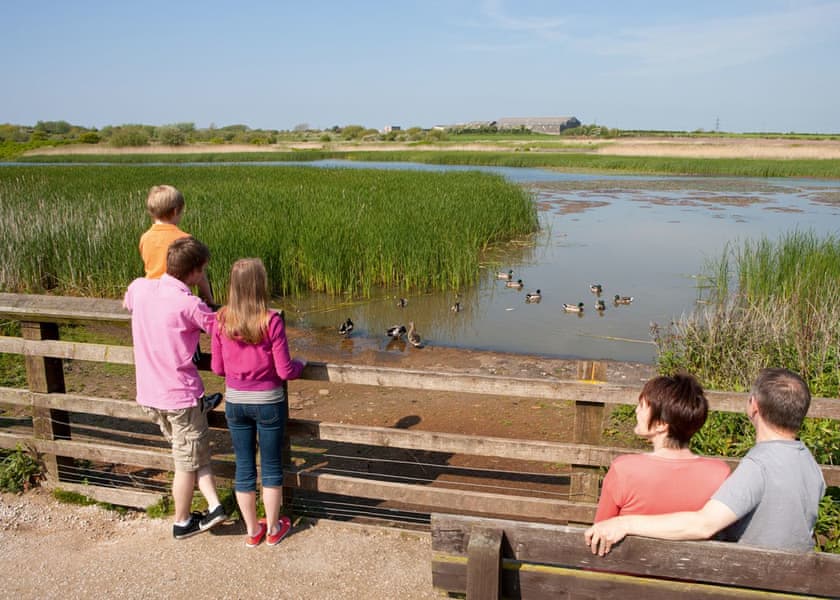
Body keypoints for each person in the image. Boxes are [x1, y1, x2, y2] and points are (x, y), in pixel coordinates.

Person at [585, 368, 826, 554]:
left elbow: (704, 525)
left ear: (754, 406)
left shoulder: (758, 466)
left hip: (748, 583)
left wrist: (625, 523)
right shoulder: (811, 466)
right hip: (794, 583)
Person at [123, 236, 227, 539]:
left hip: (150, 393)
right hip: (180, 396)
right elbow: (221, 327)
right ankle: (181, 521)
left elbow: (126, 302)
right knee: (185, 463)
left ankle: (214, 506)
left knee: (192, 453)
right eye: (202, 270)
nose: (203, 274)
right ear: (194, 272)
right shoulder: (189, 304)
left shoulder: (140, 288)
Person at [210, 258, 306, 547]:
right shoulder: (271, 320)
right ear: (260, 285)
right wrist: (301, 364)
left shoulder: (221, 320)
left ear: (232, 286)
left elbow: (217, 368)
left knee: (243, 467)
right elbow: (285, 371)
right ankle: (274, 527)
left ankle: (253, 530)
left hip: (236, 401)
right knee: (272, 466)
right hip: (268, 402)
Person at [594, 374, 731, 522]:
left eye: (642, 406)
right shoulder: (719, 473)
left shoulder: (624, 469)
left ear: (661, 424)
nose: (636, 411)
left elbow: (601, 528)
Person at [139, 184, 215, 306]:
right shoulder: (185, 240)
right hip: (175, 297)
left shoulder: (145, 238)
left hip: (150, 296)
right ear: (175, 211)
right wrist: (210, 300)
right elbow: (200, 275)